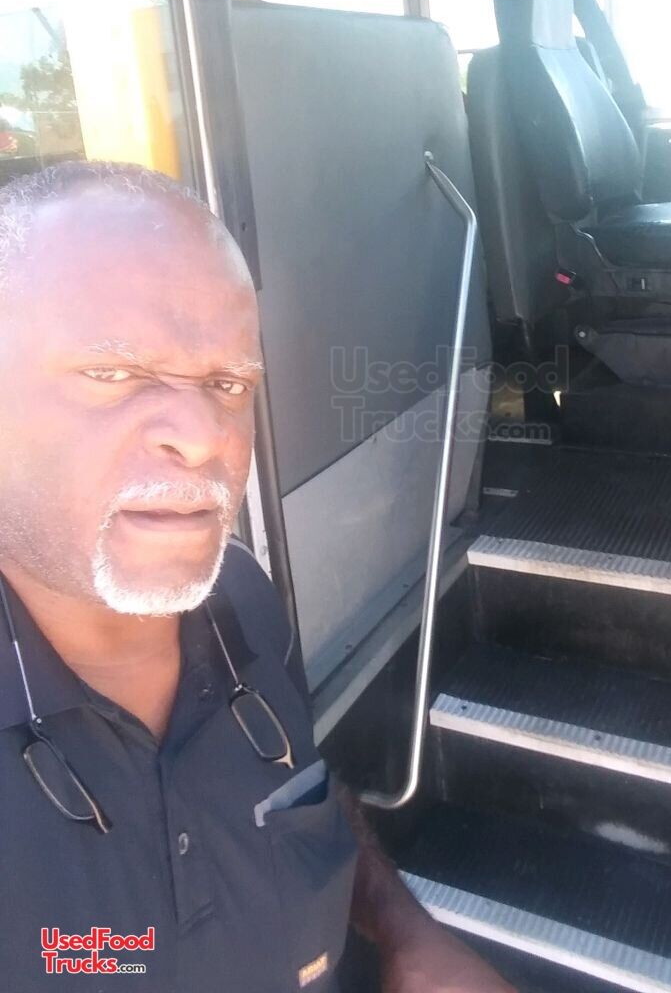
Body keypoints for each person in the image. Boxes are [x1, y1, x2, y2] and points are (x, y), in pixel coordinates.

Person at [0, 160, 514, 993]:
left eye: (228, 382)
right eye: (112, 374)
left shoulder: (239, 598)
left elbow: (298, 795)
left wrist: (405, 931)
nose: (205, 434)